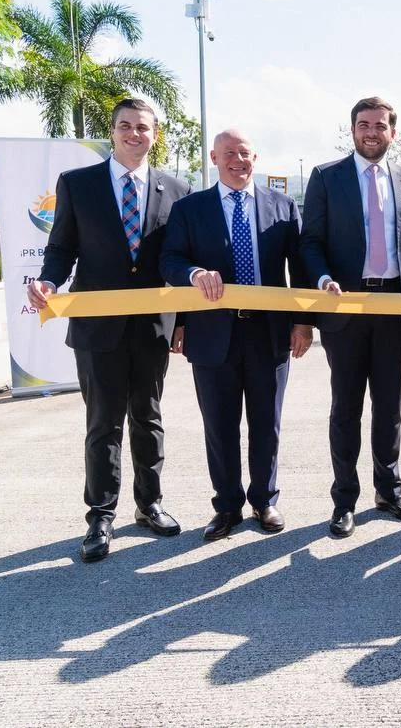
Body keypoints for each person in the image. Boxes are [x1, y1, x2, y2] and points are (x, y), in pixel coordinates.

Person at [27, 98, 191, 563]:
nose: (133, 133)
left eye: (143, 127)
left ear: (155, 134)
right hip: (97, 329)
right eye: (125, 126)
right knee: (103, 424)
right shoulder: (78, 185)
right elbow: (61, 249)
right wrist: (47, 280)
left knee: (149, 418)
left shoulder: (176, 189)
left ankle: (149, 504)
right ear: (113, 131)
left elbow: (177, 261)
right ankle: (100, 516)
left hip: (153, 328)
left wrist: (184, 323)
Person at [160, 129, 314, 541]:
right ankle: (226, 507)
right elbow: (170, 259)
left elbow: (299, 267)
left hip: (270, 333)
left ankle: (265, 501)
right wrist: (194, 275)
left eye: (244, 153)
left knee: (268, 423)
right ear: (214, 157)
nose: (238, 160)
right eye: (229, 153)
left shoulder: (282, 206)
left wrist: (304, 322)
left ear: (255, 158)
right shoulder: (190, 209)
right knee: (220, 425)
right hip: (212, 336)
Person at [300, 96, 401, 538]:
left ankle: (388, 491)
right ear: (352, 130)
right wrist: (321, 279)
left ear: (393, 130)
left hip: (394, 308)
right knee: (347, 407)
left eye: (379, 125)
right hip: (345, 309)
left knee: (389, 407)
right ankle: (344, 500)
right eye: (363, 124)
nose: (371, 132)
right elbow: (310, 241)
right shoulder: (326, 177)